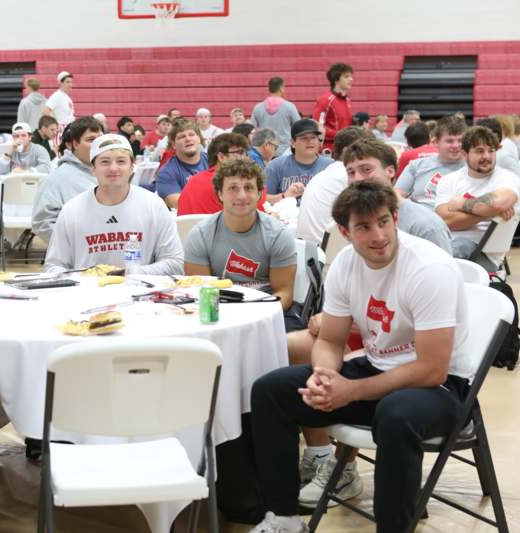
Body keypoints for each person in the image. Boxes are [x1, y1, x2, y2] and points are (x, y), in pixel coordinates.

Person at [249, 180, 471, 533]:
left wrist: (349, 391)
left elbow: (432, 370)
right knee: (271, 390)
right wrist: (324, 376)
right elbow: (332, 340)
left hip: (441, 388)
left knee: (395, 416)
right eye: (364, 227)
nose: (378, 235)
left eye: (383, 222)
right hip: (375, 369)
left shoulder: (429, 268)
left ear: (395, 217)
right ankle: (285, 519)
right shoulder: (345, 264)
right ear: (344, 231)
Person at [184, 158, 304, 330]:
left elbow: (284, 293)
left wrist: (253, 319)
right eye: (233, 188)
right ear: (220, 194)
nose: (241, 196)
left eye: (248, 188)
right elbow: (202, 293)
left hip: (266, 312)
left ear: (259, 193)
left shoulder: (278, 234)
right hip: (218, 314)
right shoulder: (200, 235)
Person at [44, 134, 183, 275]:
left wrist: (130, 273)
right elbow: (53, 266)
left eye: (121, 161)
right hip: (87, 293)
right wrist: (84, 277)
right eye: (105, 162)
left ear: (132, 167)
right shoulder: (71, 210)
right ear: (93, 168)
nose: (113, 168)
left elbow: (175, 263)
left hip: (139, 292)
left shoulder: (154, 206)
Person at [344, 139, 452, 254]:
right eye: (351, 173)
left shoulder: (425, 225)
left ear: (390, 171)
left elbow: (443, 270)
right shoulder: (353, 219)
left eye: (366, 169)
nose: (357, 179)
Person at [434, 126, 520, 270]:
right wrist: (489, 212)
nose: (486, 156)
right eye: (480, 151)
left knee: (453, 250)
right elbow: (445, 221)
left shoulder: (507, 178)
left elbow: (498, 203)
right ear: (464, 154)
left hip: (483, 252)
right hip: (447, 243)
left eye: (491, 151)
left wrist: (462, 204)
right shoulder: (448, 180)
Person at [295, 126, 374, 245]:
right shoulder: (347, 175)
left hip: (310, 251)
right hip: (327, 254)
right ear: (347, 151)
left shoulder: (329, 173)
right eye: (363, 149)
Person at [31, 116, 104, 243]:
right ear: (73, 144)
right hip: (78, 258)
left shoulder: (108, 173)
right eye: (91, 139)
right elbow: (42, 223)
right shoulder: (57, 179)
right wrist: (75, 245)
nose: (98, 144)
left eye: (100, 139)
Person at [177, 132, 259, 216]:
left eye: (246, 153)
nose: (246, 158)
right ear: (221, 157)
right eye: (240, 152)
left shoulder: (193, 181)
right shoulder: (231, 185)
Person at [395, 114, 466, 208]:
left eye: (460, 141)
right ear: (435, 142)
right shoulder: (416, 165)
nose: (456, 145)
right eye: (449, 141)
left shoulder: (473, 168)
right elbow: (396, 196)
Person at [264, 118, 334, 204]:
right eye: (304, 138)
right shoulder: (275, 166)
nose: (310, 141)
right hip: (284, 216)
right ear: (293, 143)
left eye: (313, 137)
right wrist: (285, 196)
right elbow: (262, 199)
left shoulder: (331, 166)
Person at [155, 119, 209, 208]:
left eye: (191, 134)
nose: (188, 139)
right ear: (173, 145)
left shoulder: (214, 161)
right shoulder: (166, 172)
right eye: (181, 137)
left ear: (199, 139)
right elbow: (178, 204)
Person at [253, 77, 302, 157]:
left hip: (264, 151)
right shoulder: (289, 106)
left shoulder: (258, 107)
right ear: (281, 88)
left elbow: (252, 129)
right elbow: (299, 126)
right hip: (284, 151)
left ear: (269, 89)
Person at [312, 63, 354, 153]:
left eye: (351, 76)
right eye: (346, 76)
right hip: (328, 151)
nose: (351, 79)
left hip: (345, 149)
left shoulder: (347, 100)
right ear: (336, 79)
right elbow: (317, 126)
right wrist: (341, 135)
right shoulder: (325, 100)